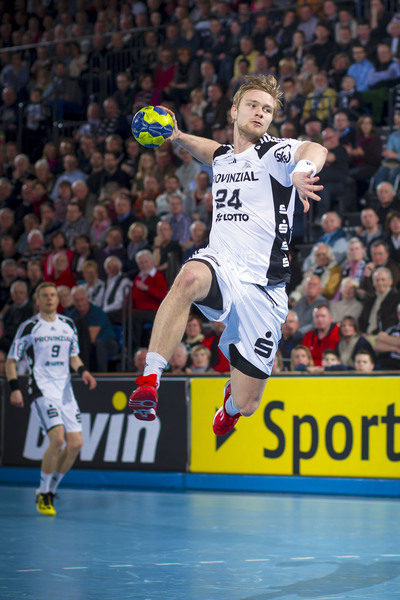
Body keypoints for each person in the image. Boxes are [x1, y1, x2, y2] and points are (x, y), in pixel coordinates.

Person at [128, 75, 327, 432]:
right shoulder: (224, 157)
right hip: (222, 265)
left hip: (264, 289)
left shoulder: (275, 153)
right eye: (253, 105)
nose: (260, 113)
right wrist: (178, 136)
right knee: (188, 277)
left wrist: (302, 171)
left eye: (267, 109)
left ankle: (230, 407)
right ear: (235, 111)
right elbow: (212, 152)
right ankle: (149, 380)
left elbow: (315, 149)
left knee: (248, 403)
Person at [5, 282, 96, 516]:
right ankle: (44, 492)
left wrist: (83, 371)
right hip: (41, 389)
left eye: (53, 295)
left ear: (58, 299)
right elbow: (11, 360)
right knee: (57, 440)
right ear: (37, 301)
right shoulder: (29, 327)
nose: (49, 299)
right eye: (44, 295)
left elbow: (73, 356)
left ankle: (51, 490)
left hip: (65, 391)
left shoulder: (68, 325)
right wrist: (14, 387)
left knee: (76, 444)